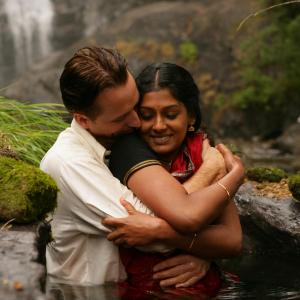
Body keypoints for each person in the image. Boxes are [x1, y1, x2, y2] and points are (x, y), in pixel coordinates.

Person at [40, 46, 244, 288]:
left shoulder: (125, 140)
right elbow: (160, 229)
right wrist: (224, 172)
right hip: (88, 292)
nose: (136, 122)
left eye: (134, 107)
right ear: (83, 120)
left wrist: (203, 255)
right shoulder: (69, 163)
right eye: (122, 117)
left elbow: (216, 237)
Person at [105, 62, 243, 298]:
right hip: (142, 286)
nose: (158, 126)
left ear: (190, 116)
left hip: (205, 285)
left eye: (171, 114)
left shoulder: (203, 153)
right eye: (147, 116)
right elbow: (187, 216)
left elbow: (232, 241)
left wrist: (203, 255)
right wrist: (237, 175)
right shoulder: (128, 152)